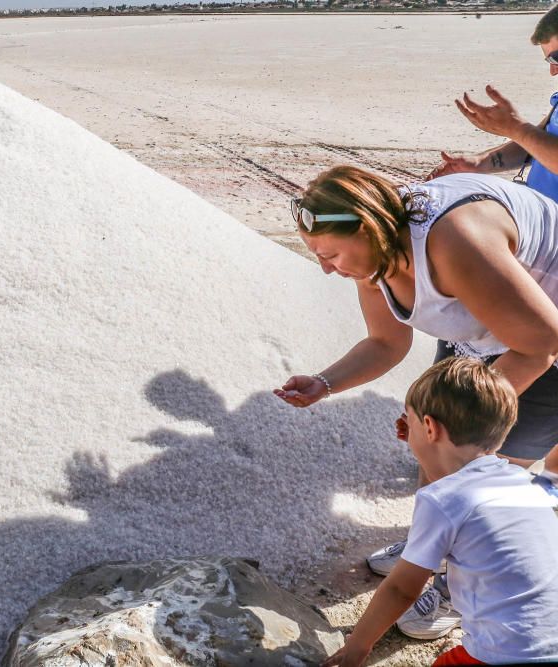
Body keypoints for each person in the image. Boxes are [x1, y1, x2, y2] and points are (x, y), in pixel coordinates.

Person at [274, 165, 558, 636]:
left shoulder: (455, 241)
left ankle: (461, 583)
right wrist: (325, 383)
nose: (326, 268)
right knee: (435, 444)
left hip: (546, 342)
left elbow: (541, 344)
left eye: (331, 255)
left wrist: (467, 432)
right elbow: (387, 343)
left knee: (483, 472)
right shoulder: (376, 249)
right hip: (491, 323)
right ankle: (430, 550)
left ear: (366, 228)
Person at [321, 357, 558, 667]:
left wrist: (357, 648)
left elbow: (401, 589)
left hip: (508, 654)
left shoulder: (443, 500)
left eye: (408, 421)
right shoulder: (527, 488)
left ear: (430, 427)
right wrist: (423, 442)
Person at [427, 5, 558, 201]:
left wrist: (516, 128)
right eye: (549, 61)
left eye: (556, 58)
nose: (553, 71)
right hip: (538, 219)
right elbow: (537, 142)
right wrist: (480, 162)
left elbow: (529, 137)